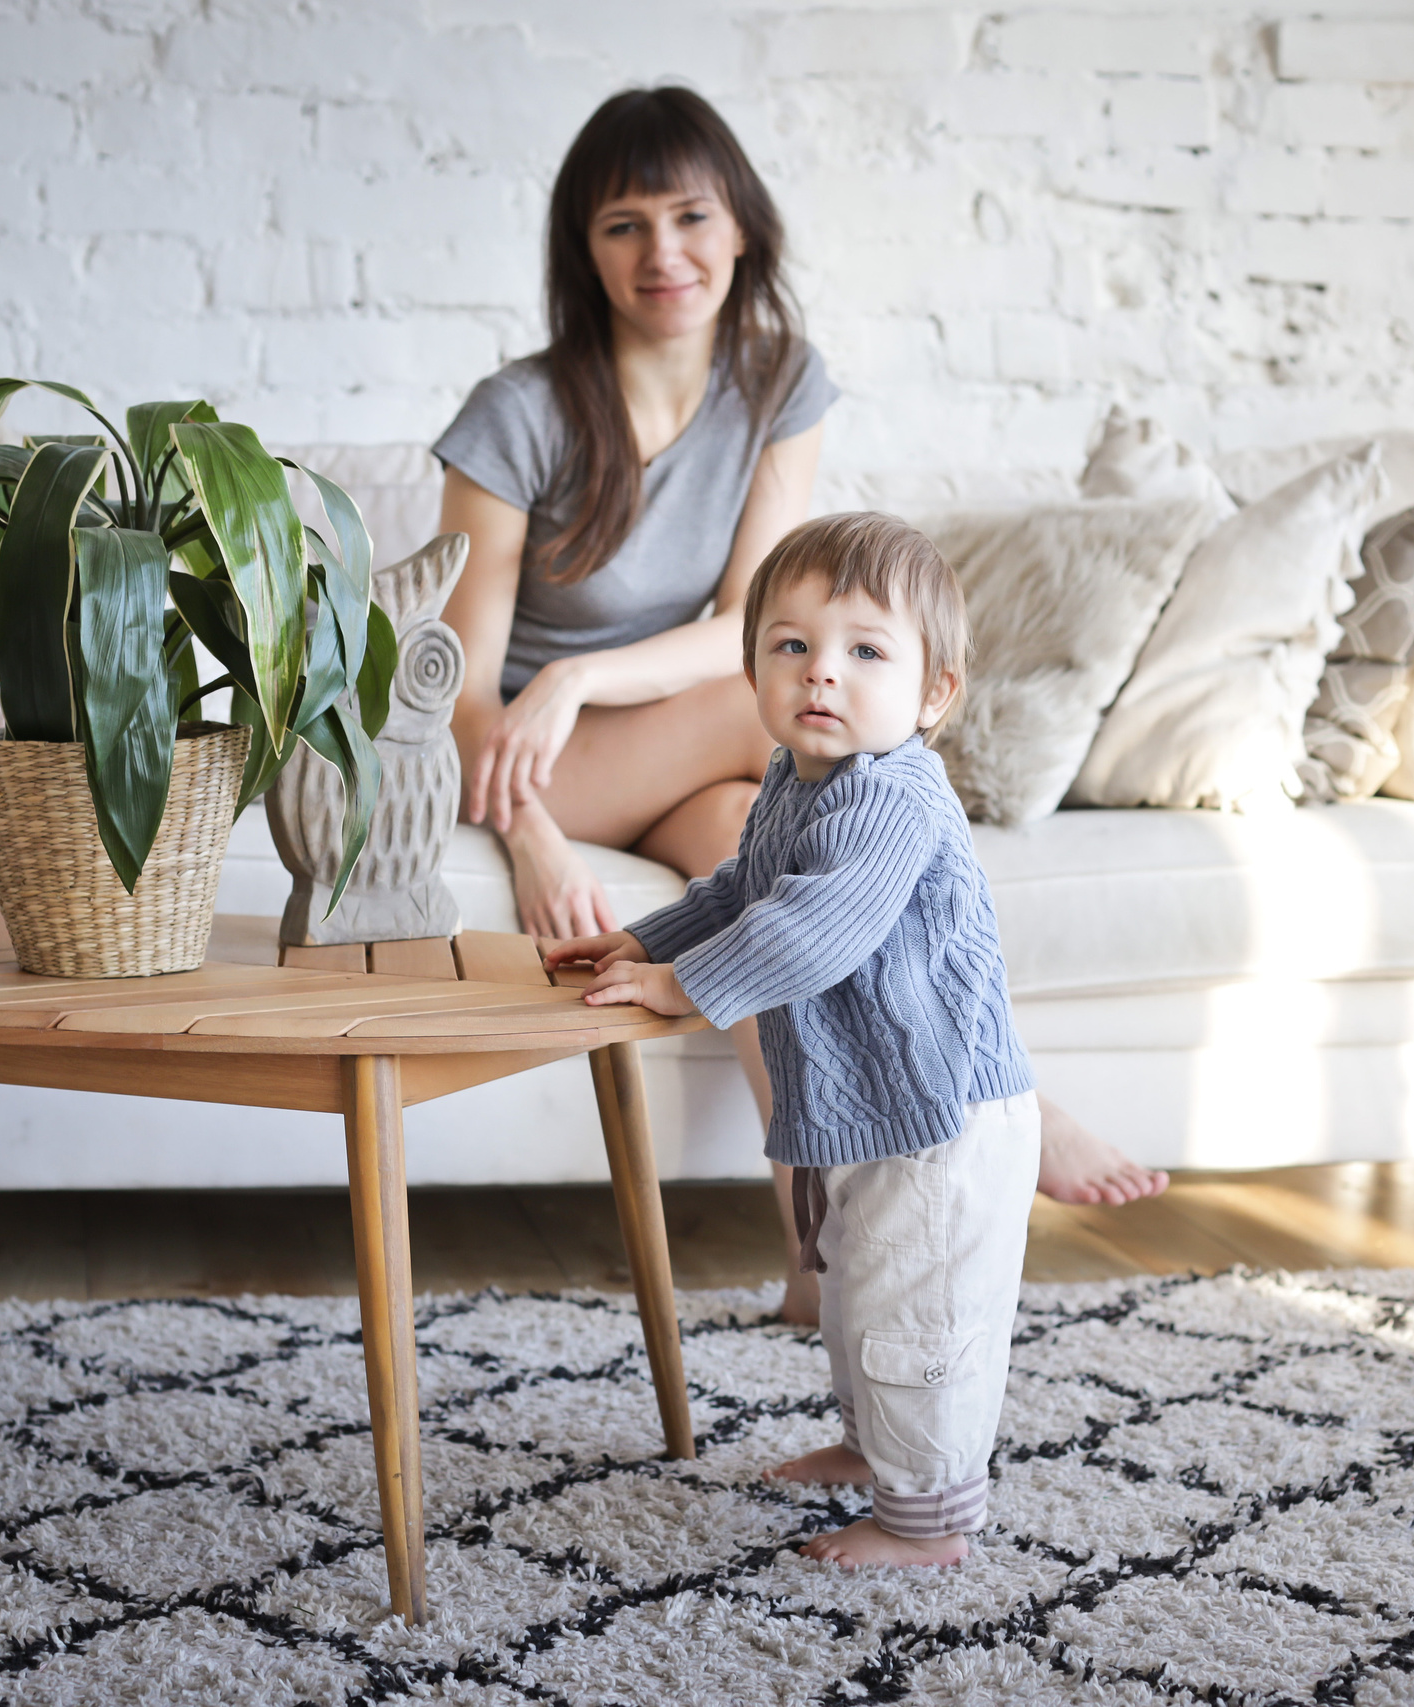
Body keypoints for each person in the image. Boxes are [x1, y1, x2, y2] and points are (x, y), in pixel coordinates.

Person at [433, 87, 1164, 1327]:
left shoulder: (779, 382)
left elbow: (751, 624)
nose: (661, 254)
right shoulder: (518, 413)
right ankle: (1007, 1096)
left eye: (689, 215)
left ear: (741, 229)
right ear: (582, 249)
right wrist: (532, 828)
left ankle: (813, 1271)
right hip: (523, 756)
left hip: (672, 723)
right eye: (622, 225)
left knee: (776, 875)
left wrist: (583, 673)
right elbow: (453, 677)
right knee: (803, 718)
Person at [550, 512, 1033, 1567]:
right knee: (860, 1289)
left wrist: (682, 986)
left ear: (932, 694)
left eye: (865, 652)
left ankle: (929, 1522)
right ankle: (873, 1453)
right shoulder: (795, 780)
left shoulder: (887, 798)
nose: (823, 674)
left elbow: (811, 929)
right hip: (872, 1110)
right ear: (753, 667)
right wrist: (638, 938)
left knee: (917, 1310)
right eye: (791, 645)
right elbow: (738, 890)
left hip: (940, 1115)